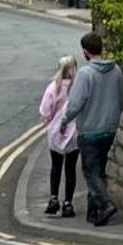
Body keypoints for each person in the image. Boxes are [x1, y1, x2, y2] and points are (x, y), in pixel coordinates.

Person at [62, 31, 123, 226]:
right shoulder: (116, 71)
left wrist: (64, 121)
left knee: (91, 172)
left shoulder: (85, 74)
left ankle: (105, 205)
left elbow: (75, 104)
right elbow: (121, 98)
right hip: (109, 128)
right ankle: (94, 211)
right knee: (98, 169)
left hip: (89, 130)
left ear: (85, 52)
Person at [38, 56, 80, 218]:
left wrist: (50, 123)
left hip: (56, 132)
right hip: (74, 132)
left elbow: (45, 112)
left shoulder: (53, 88)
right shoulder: (78, 87)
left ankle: (54, 198)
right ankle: (68, 203)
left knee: (56, 166)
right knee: (71, 168)